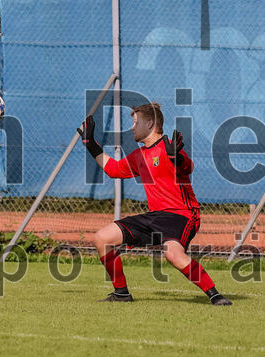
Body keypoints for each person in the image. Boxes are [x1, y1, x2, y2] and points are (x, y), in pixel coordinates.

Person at [78, 102, 232, 306]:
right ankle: (121, 294)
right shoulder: (139, 155)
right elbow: (114, 170)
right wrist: (91, 144)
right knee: (102, 238)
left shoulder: (169, 147)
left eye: (136, 122)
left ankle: (215, 295)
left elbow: (188, 167)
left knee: (173, 254)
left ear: (150, 123)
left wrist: (177, 158)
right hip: (155, 216)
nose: (132, 127)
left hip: (182, 215)